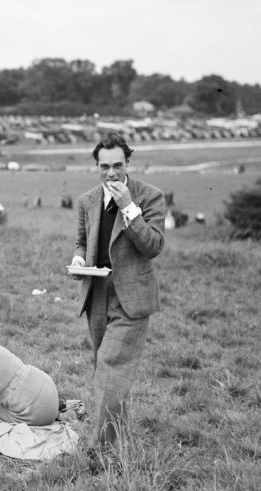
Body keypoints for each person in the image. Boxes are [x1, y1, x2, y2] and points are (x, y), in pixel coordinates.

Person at [68, 131, 165, 450]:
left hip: (132, 300)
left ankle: (100, 448)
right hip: (97, 295)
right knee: (108, 373)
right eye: (104, 166)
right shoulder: (87, 200)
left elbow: (153, 246)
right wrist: (78, 258)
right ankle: (117, 442)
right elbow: (82, 240)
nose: (111, 173)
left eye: (118, 165)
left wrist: (129, 207)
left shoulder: (150, 196)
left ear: (128, 163)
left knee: (110, 366)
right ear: (96, 165)